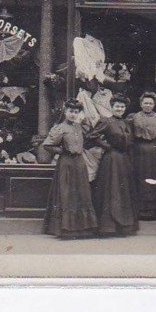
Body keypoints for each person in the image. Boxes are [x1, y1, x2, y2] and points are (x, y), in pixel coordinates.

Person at [42, 99, 98, 240]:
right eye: (70, 111)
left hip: (79, 163)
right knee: (66, 193)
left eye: (75, 112)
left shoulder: (79, 127)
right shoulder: (60, 128)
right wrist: (61, 150)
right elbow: (47, 145)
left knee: (81, 193)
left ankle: (82, 228)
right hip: (66, 163)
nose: (73, 114)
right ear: (65, 112)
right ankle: (66, 229)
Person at [89, 94, 138, 236]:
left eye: (122, 107)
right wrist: (107, 146)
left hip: (124, 160)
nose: (120, 109)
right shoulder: (106, 121)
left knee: (123, 191)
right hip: (111, 160)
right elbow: (92, 136)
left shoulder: (126, 123)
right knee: (111, 191)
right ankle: (108, 227)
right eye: (117, 106)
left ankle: (123, 226)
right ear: (112, 107)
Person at [126, 92, 156, 220]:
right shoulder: (133, 117)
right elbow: (128, 135)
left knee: (154, 178)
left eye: (150, 103)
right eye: (145, 103)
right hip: (138, 151)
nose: (148, 105)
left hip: (154, 151)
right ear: (141, 104)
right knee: (139, 178)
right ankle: (140, 211)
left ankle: (154, 212)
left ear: (154, 105)